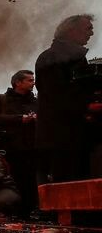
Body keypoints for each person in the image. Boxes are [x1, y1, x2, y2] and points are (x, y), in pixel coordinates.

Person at [36, 14, 94, 182]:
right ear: (71, 31)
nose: (91, 33)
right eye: (87, 28)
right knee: (67, 188)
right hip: (61, 140)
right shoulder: (51, 57)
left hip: (75, 137)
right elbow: (58, 96)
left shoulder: (75, 57)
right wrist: (88, 107)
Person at [0, 70, 39, 213]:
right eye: (29, 80)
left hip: (32, 148)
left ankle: (32, 209)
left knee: (32, 179)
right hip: (10, 149)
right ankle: (15, 210)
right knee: (15, 180)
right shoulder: (2, 99)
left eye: (33, 80)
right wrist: (19, 118)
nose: (33, 83)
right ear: (18, 83)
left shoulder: (35, 101)